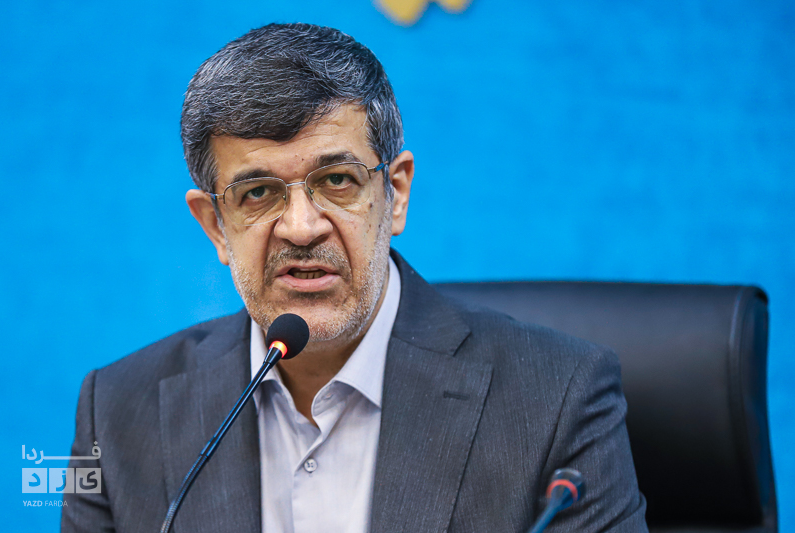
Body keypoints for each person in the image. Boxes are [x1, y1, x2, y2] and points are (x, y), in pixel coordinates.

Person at [62, 23, 647, 533]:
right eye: (258, 193)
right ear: (216, 225)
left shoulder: (557, 399)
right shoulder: (117, 413)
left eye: (337, 181)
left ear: (395, 195)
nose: (301, 227)